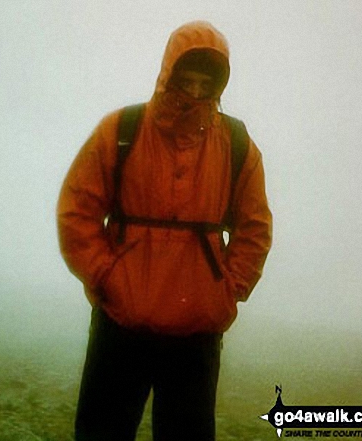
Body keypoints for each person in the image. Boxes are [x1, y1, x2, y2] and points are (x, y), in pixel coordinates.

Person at [57, 21, 272, 441]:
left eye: (204, 83)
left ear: (218, 85)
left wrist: (226, 289)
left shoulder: (236, 143)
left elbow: (255, 227)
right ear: (167, 73)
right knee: (101, 433)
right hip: (121, 322)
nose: (193, 92)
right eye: (184, 79)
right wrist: (106, 276)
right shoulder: (122, 130)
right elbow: (77, 210)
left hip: (196, 332)